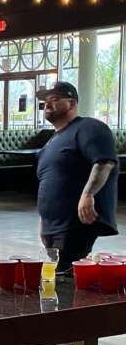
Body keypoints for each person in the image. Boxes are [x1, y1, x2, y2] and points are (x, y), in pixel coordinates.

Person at [36, 82, 119, 275]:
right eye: (45, 102)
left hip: (75, 222)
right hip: (52, 226)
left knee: (63, 276)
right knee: (57, 275)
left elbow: (104, 162)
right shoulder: (51, 141)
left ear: (72, 103)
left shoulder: (88, 127)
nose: (47, 105)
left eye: (55, 99)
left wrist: (88, 194)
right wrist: (43, 221)